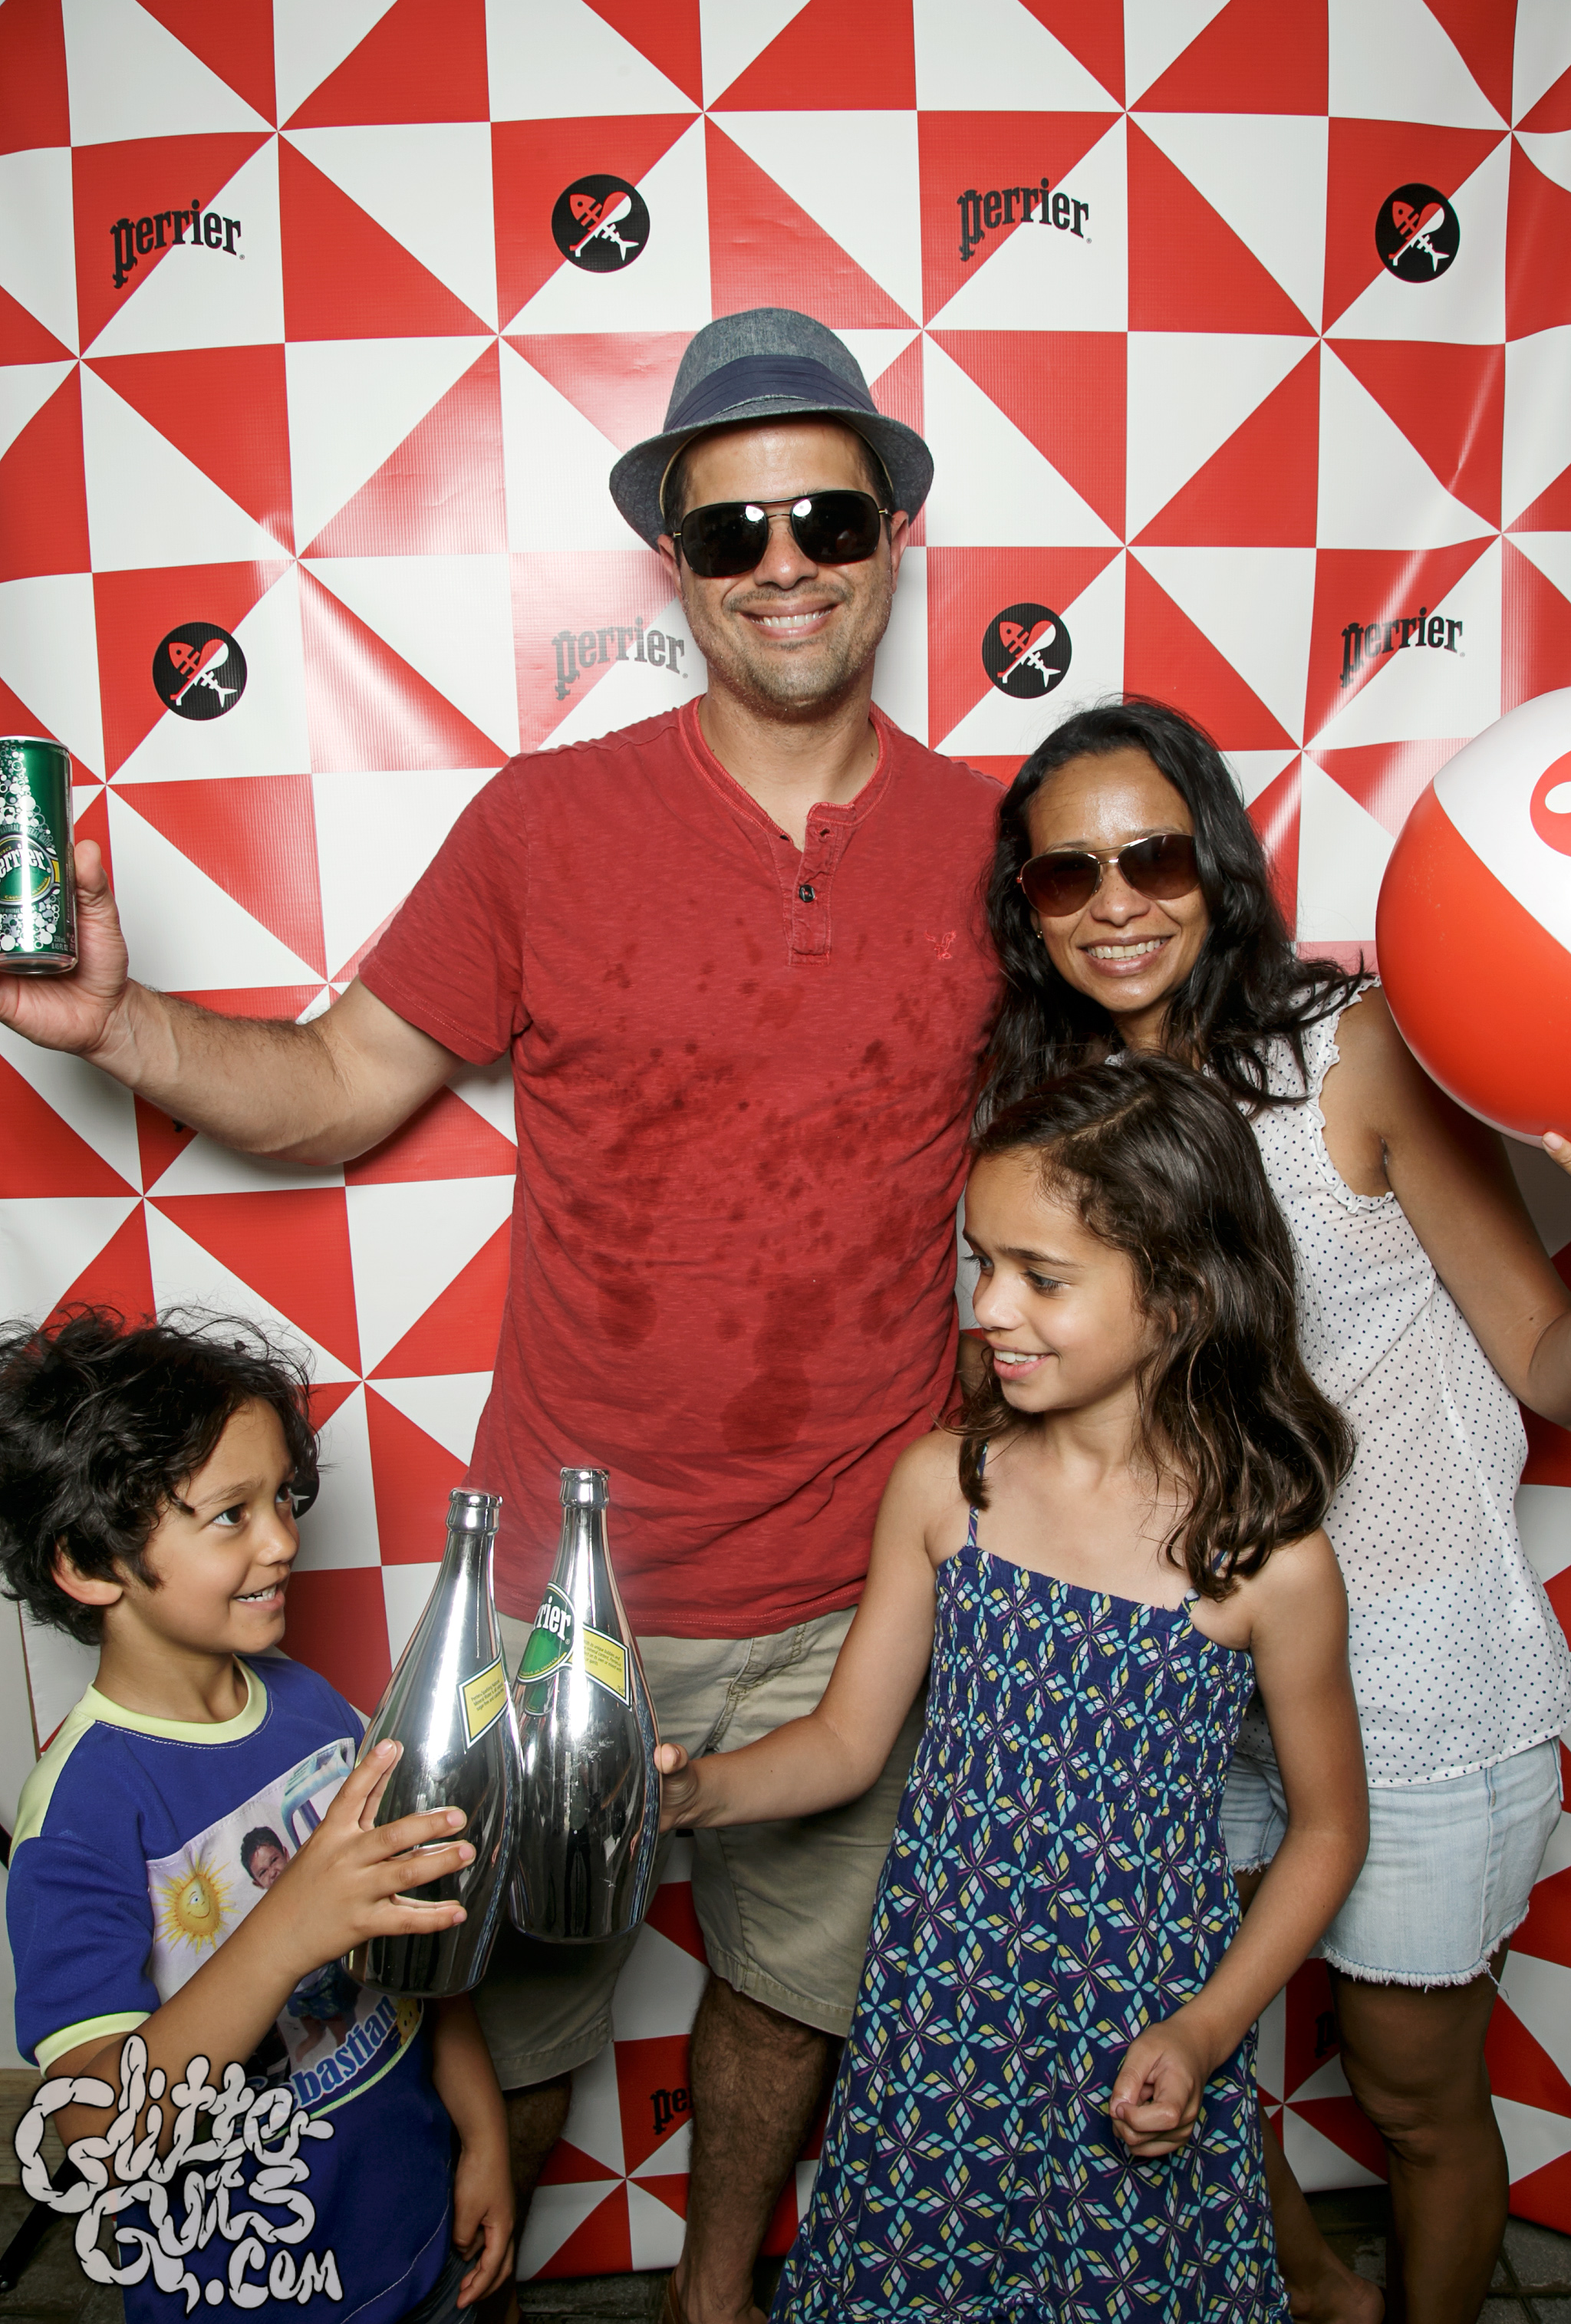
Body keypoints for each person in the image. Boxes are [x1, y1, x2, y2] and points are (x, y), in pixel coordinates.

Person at [0, 309, 1003, 2324]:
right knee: (486, 2013)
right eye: (731, 532)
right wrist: (116, 1026)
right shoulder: (544, 828)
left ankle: (714, 2299)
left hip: (865, 1582)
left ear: (895, 531)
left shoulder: (996, 845)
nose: (784, 564)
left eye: (826, 518)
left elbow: (1109, 1160)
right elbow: (336, 1087)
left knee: (792, 1998)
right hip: (566, 1597)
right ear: (675, 563)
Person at [980, 696, 1571, 2324]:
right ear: (1028, 910)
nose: (1115, 903)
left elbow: (1541, 1356)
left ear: (1219, 866)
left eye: (1154, 858)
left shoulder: (1347, 1056)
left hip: (1413, 1675)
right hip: (1189, 1678)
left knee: (1409, 2095)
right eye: (1066, 875)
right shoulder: (1050, 1110)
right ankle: (1313, 2290)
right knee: (1176, 2048)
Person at [657, 1060, 1368, 2319]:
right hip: (940, 2005)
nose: (989, 1307)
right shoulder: (949, 1487)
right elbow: (845, 1742)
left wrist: (1206, 2031)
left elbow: (1327, 1830)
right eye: (982, 1263)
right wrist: (690, 1793)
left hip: (1138, 2012)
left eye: (1042, 1277)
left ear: (1182, 1291)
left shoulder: (1266, 1559)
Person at [0, 1309, 515, 2324]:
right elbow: (99, 2134)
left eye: (283, 1496)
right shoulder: (79, 1813)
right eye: (231, 1514)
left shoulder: (316, 1708)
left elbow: (415, 1935)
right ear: (90, 1563)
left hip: (417, 2244)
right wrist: (288, 1930)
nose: (284, 1539)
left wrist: (485, 2132)